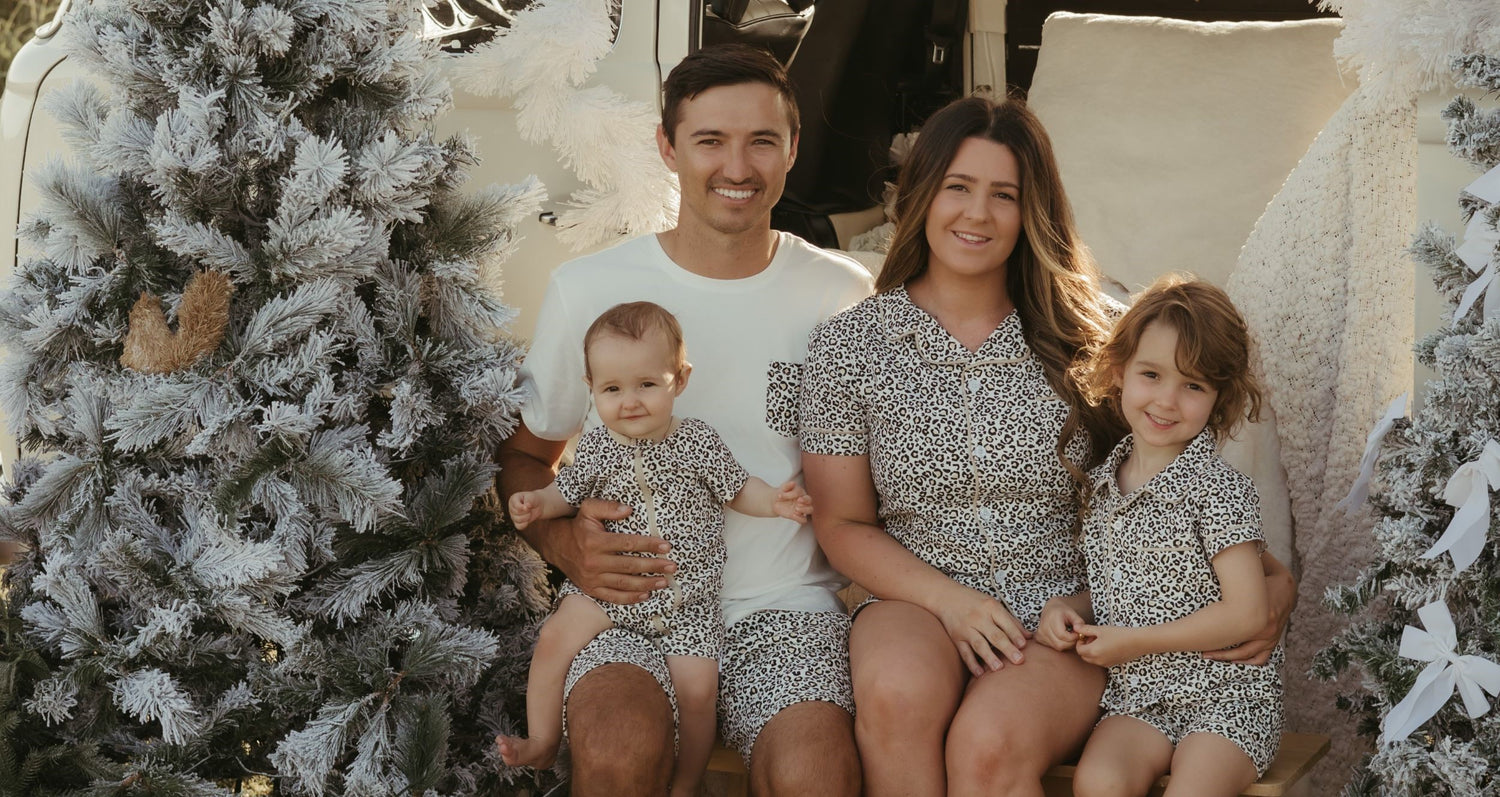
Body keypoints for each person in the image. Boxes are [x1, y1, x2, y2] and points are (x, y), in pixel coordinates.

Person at [798, 96, 1295, 797]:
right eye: (958, 188)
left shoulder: (1101, 340)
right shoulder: (848, 347)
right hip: (916, 597)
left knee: (989, 746)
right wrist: (953, 602)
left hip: (1070, 612)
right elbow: (842, 523)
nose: (978, 214)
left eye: (1005, 195)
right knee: (896, 697)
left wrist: (1272, 582)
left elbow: (1185, 480)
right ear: (920, 194)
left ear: (1033, 210)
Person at [496, 44, 873, 797]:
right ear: (667, 147)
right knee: (616, 748)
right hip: (632, 605)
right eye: (710, 140)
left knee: (813, 773)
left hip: (787, 608)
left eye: (762, 140)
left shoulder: (841, 293)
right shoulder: (591, 288)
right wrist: (565, 540)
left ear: (792, 149)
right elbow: (527, 456)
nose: (738, 166)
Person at [498, 301, 813, 797]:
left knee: (698, 691)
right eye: (612, 389)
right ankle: (541, 740)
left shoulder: (698, 443)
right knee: (557, 636)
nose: (630, 402)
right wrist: (535, 502)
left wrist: (776, 501)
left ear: (679, 380)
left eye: (647, 384)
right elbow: (568, 491)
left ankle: (686, 784)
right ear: (592, 390)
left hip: (687, 601)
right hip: (612, 592)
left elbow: (738, 489)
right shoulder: (599, 445)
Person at [1037, 275, 1282, 796]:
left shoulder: (1218, 491)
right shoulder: (1104, 482)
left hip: (1226, 697)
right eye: (1152, 375)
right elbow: (1122, 588)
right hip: (1139, 698)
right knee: (1097, 782)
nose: (1167, 401)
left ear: (1218, 398)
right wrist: (1071, 610)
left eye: (1193, 385)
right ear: (1119, 371)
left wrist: (1134, 643)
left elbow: (1246, 612)